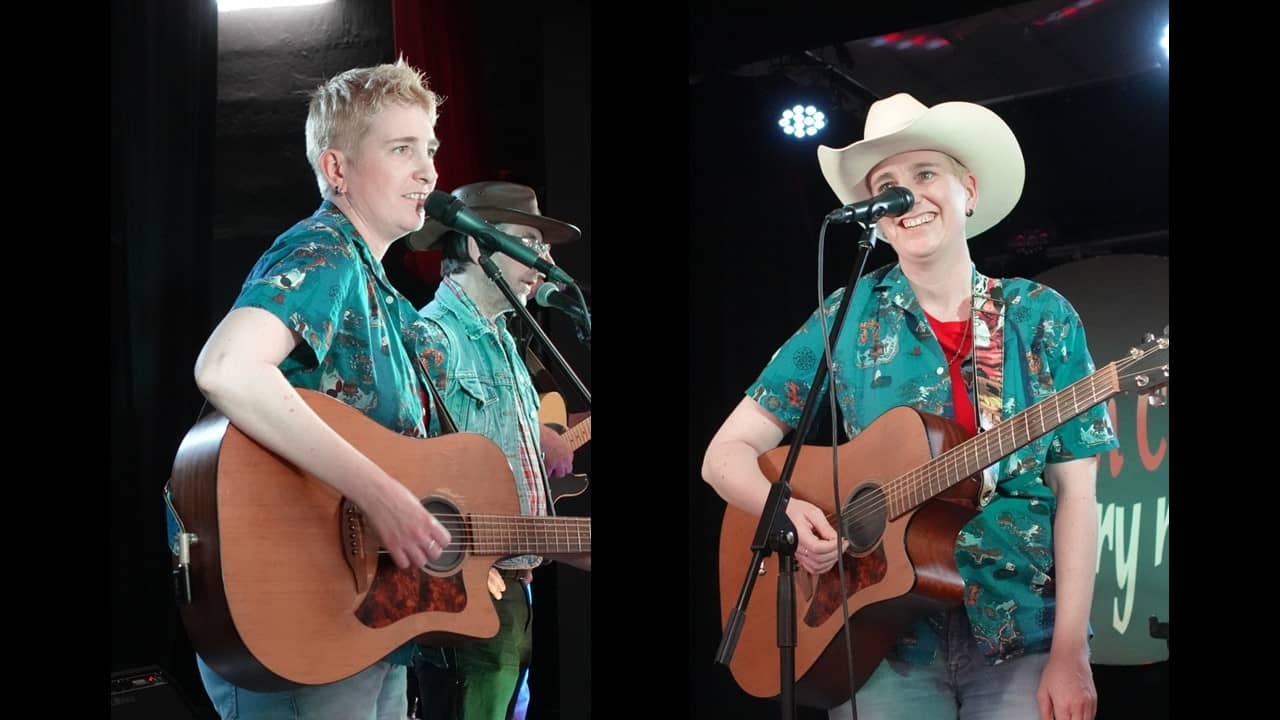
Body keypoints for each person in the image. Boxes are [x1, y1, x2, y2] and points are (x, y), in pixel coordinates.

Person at [701, 93, 1119, 720]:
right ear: (873, 214)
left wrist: (1070, 653)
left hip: (1020, 628)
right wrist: (789, 513)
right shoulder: (843, 316)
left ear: (968, 190)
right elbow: (723, 456)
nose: (907, 196)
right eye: (886, 185)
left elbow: (1078, 497)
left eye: (925, 175)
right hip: (877, 636)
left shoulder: (1039, 318)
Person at [177, 58, 453, 720]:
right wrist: (380, 494)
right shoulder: (323, 252)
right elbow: (226, 367)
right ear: (337, 170)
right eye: (401, 149)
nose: (429, 172)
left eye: (431, 149)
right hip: (295, 602)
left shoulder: (378, 286)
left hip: (362, 610)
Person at [402, 180, 591, 720]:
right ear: (479, 248)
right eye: (530, 242)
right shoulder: (431, 338)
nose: (546, 261)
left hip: (511, 583)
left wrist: (538, 543)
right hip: (458, 595)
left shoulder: (508, 340)